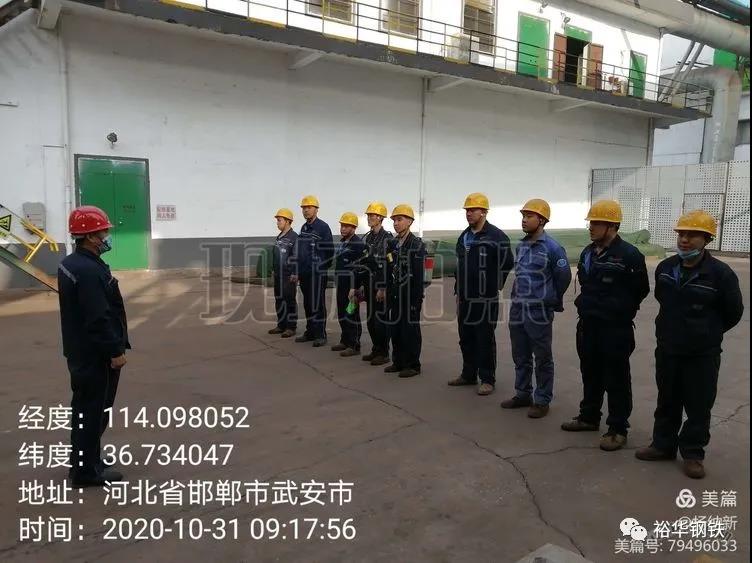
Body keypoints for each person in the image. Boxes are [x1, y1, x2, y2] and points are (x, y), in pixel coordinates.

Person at [636, 210, 743, 479]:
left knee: (698, 405)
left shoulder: (721, 274)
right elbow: (663, 299)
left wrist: (706, 332)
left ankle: (693, 453)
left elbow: (733, 312)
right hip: (668, 348)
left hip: (702, 354)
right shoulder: (666, 268)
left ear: (706, 239)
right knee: (667, 399)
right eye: (681, 234)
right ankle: (663, 445)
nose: (684, 240)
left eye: (692, 235)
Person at [561, 200, 650, 451]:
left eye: (597, 223)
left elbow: (641, 289)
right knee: (590, 373)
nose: (591, 227)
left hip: (615, 328)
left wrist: (619, 310)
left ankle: (618, 428)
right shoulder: (588, 252)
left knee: (616, 379)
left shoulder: (630, 255)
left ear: (612, 226)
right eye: (591, 222)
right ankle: (589, 417)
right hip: (588, 325)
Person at [58, 205, 128, 487]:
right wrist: (115, 351)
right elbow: (98, 317)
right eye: (103, 232)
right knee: (93, 411)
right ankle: (85, 472)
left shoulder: (72, 263)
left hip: (80, 349)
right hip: (95, 354)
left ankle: (87, 460)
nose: (106, 237)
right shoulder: (88, 270)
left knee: (85, 409)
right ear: (89, 236)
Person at [500, 198, 571, 418]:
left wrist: (550, 299)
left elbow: (563, 277)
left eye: (529, 216)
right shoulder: (521, 245)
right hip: (518, 309)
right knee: (520, 355)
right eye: (523, 216)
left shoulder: (553, 248)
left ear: (541, 220)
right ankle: (523, 394)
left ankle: (542, 400)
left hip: (538, 311)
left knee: (542, 358)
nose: (524, 220)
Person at [447, 193, 513, 396]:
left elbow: (507, 262)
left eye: (473, 210)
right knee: (465, 337)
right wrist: (458, 291)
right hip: (465, 297)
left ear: (484, 212)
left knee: (484, 338)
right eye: (467, 210)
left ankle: (487, 379)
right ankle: (468, 374)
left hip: (485, 298)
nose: (468, 213)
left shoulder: (496, 236)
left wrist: (495, 284)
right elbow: (460, 266)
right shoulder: (464, 236)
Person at [384, 204, 426, 378]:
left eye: (399, 220)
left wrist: (416, 300)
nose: (396, 223)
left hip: (410, 295)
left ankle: (413, 365)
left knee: (410, 331)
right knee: (396, 329)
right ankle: (398, 361)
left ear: (409, 222)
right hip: (395, 294)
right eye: (394, 220)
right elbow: (389, 268)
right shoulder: (393, 244)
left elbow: (419, 275)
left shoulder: (416, 245)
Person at [351, 202, 393, 366]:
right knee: (371, 320)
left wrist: (383, 287)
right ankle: (376, 349)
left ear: (381, 218)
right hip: (369, 283)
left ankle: (383, 353)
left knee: (381, 320)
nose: (369, 218)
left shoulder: (387, 239)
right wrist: (361, 284)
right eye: (368, 215)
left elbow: (388, 266)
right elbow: (366, 263)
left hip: (380, 285)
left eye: (372, 215)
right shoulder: (369, 238)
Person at [291, 195, 334, 347]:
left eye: (309, 207)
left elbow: (329, 252)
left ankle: (320, 334)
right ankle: (310, 332)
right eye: (304, 208)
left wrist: (321, 268)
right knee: (308, 304)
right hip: (305, 274)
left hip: (317, 274)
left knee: (318, 304)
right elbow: (300, 251)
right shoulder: (304, 228)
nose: (306, 210)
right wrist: (298, 271)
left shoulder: (323, 227)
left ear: (316, 209)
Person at [332, 212, 365, 357]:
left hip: (352, 288)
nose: (343, 228)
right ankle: (345, 340)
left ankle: (354, 345)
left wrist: (354, 288)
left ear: (354, 228)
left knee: (351, 314)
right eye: (342, 226)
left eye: (346, 226)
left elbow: (359, 268)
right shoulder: (343, 242)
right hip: (341, 285)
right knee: (342, 313)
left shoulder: (358, 245)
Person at [269, 208, 298, 338]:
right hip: (278, 274)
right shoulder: (279, 236)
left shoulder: (294, 237)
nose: (277, 223)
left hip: (288, 276)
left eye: (279, 220)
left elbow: (296, 256)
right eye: (277, 220)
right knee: (279, 300)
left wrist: (295, 273)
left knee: (289, 300)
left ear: (287, 221)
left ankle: (291, 327)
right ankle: (281, 325)